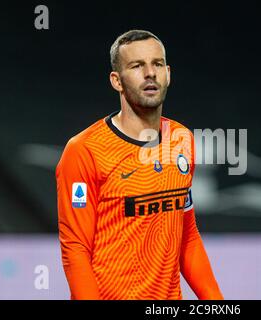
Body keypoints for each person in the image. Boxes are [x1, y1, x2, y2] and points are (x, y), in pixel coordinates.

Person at [56, 29, 223, 300]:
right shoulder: (83, 150)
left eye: (157, 64)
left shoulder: (182, 140)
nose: (150, 73)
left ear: (168, 73)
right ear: (116, 81)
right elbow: (75, 250)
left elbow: (187, 236)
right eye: (137, 66)